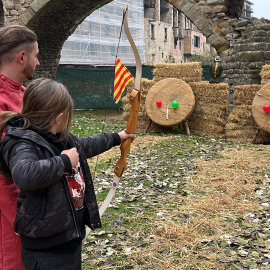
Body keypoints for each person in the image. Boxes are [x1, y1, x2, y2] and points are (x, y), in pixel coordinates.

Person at [0, 78, 135, 270]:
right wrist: (64, 162)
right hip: (46, 249)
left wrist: (117, 137)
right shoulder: (22, 142)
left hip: (67, 238)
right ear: (59, 117)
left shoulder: (59, 137)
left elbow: (86, 145)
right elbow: (24, 175)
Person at [0, 25, 40, 270]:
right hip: (12, 217)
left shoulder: (25, 94)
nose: (38, 62)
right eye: (35, 56)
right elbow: (2, 179)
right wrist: (25, 225)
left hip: (31, 202)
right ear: (22, 57)